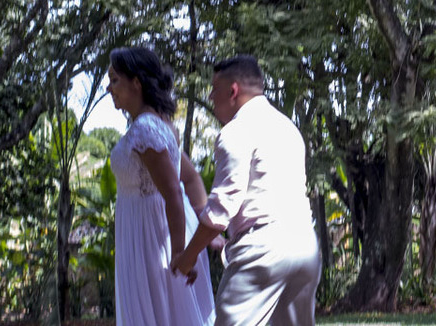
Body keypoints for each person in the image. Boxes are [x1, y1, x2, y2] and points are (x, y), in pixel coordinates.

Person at [171, 55, 321, 325]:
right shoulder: (287, 127)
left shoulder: (236, 131)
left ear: (233, 91)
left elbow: (221, 208)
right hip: (304, 245)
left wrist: (187, 257)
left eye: (214, 89)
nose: (211, 97)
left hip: (262, 253)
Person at [107, 46, 215, 326]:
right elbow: (190, 177)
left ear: (137, 83)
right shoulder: (159, 125)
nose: (109, 88)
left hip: (152, 236)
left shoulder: (145, 129)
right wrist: (203, 221)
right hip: (146, 231)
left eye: (115, 80)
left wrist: (180, 252)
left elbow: (174, 192)